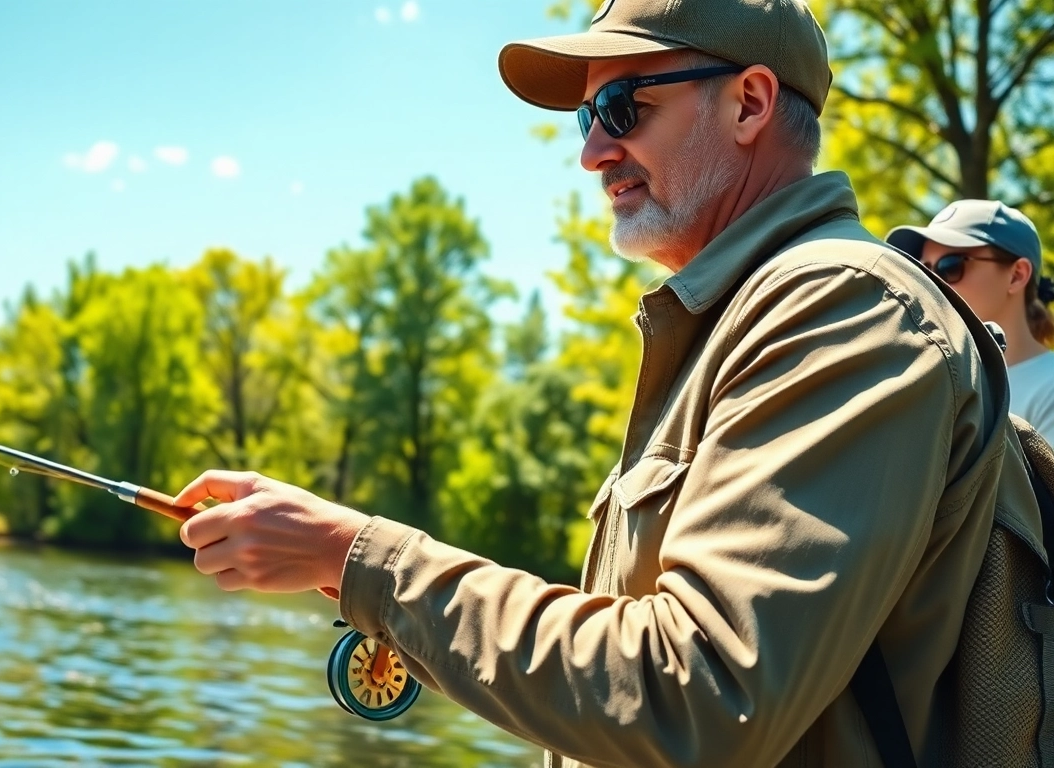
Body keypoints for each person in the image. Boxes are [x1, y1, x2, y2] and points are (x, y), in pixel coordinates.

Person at [170, 1, 1043, 766]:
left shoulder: (843, 311)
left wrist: (361, 560)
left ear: (750, 103)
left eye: (623, 106)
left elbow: (700, 696)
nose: (591, 151)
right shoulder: (746, 322)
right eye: (589, 114)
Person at [886, 200, 1054, 441]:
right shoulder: (927, 384)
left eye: (950, 266)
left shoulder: (1049, 388)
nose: (934, 284)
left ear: (1017, 276)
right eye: (924, 271)